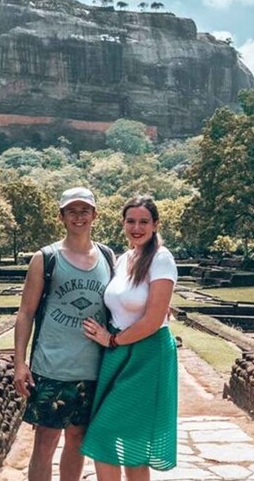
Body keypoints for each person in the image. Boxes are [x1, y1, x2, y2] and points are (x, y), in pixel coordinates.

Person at [12, 187, 115, 481]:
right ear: (61, 216)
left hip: (93, 368)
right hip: (52, 367)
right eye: (72, 211)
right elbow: (26, 313)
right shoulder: (46, 258)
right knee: (45, 442)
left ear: (95, 215)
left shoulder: (108, 257)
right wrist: (20, 364)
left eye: (85, 211)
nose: (79, 217)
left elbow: (123, 299)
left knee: (79, 441)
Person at [81, 195, 178, 480]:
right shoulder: (124, 259)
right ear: (123, 223)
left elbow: (152, 319)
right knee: (127, 441)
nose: (137, 227)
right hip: (120, 355)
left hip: (148, 354)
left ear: (156, 224)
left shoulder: (161, 258)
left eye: (144, 222)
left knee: (104, 433)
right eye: (131, 221)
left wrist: (111, 340)